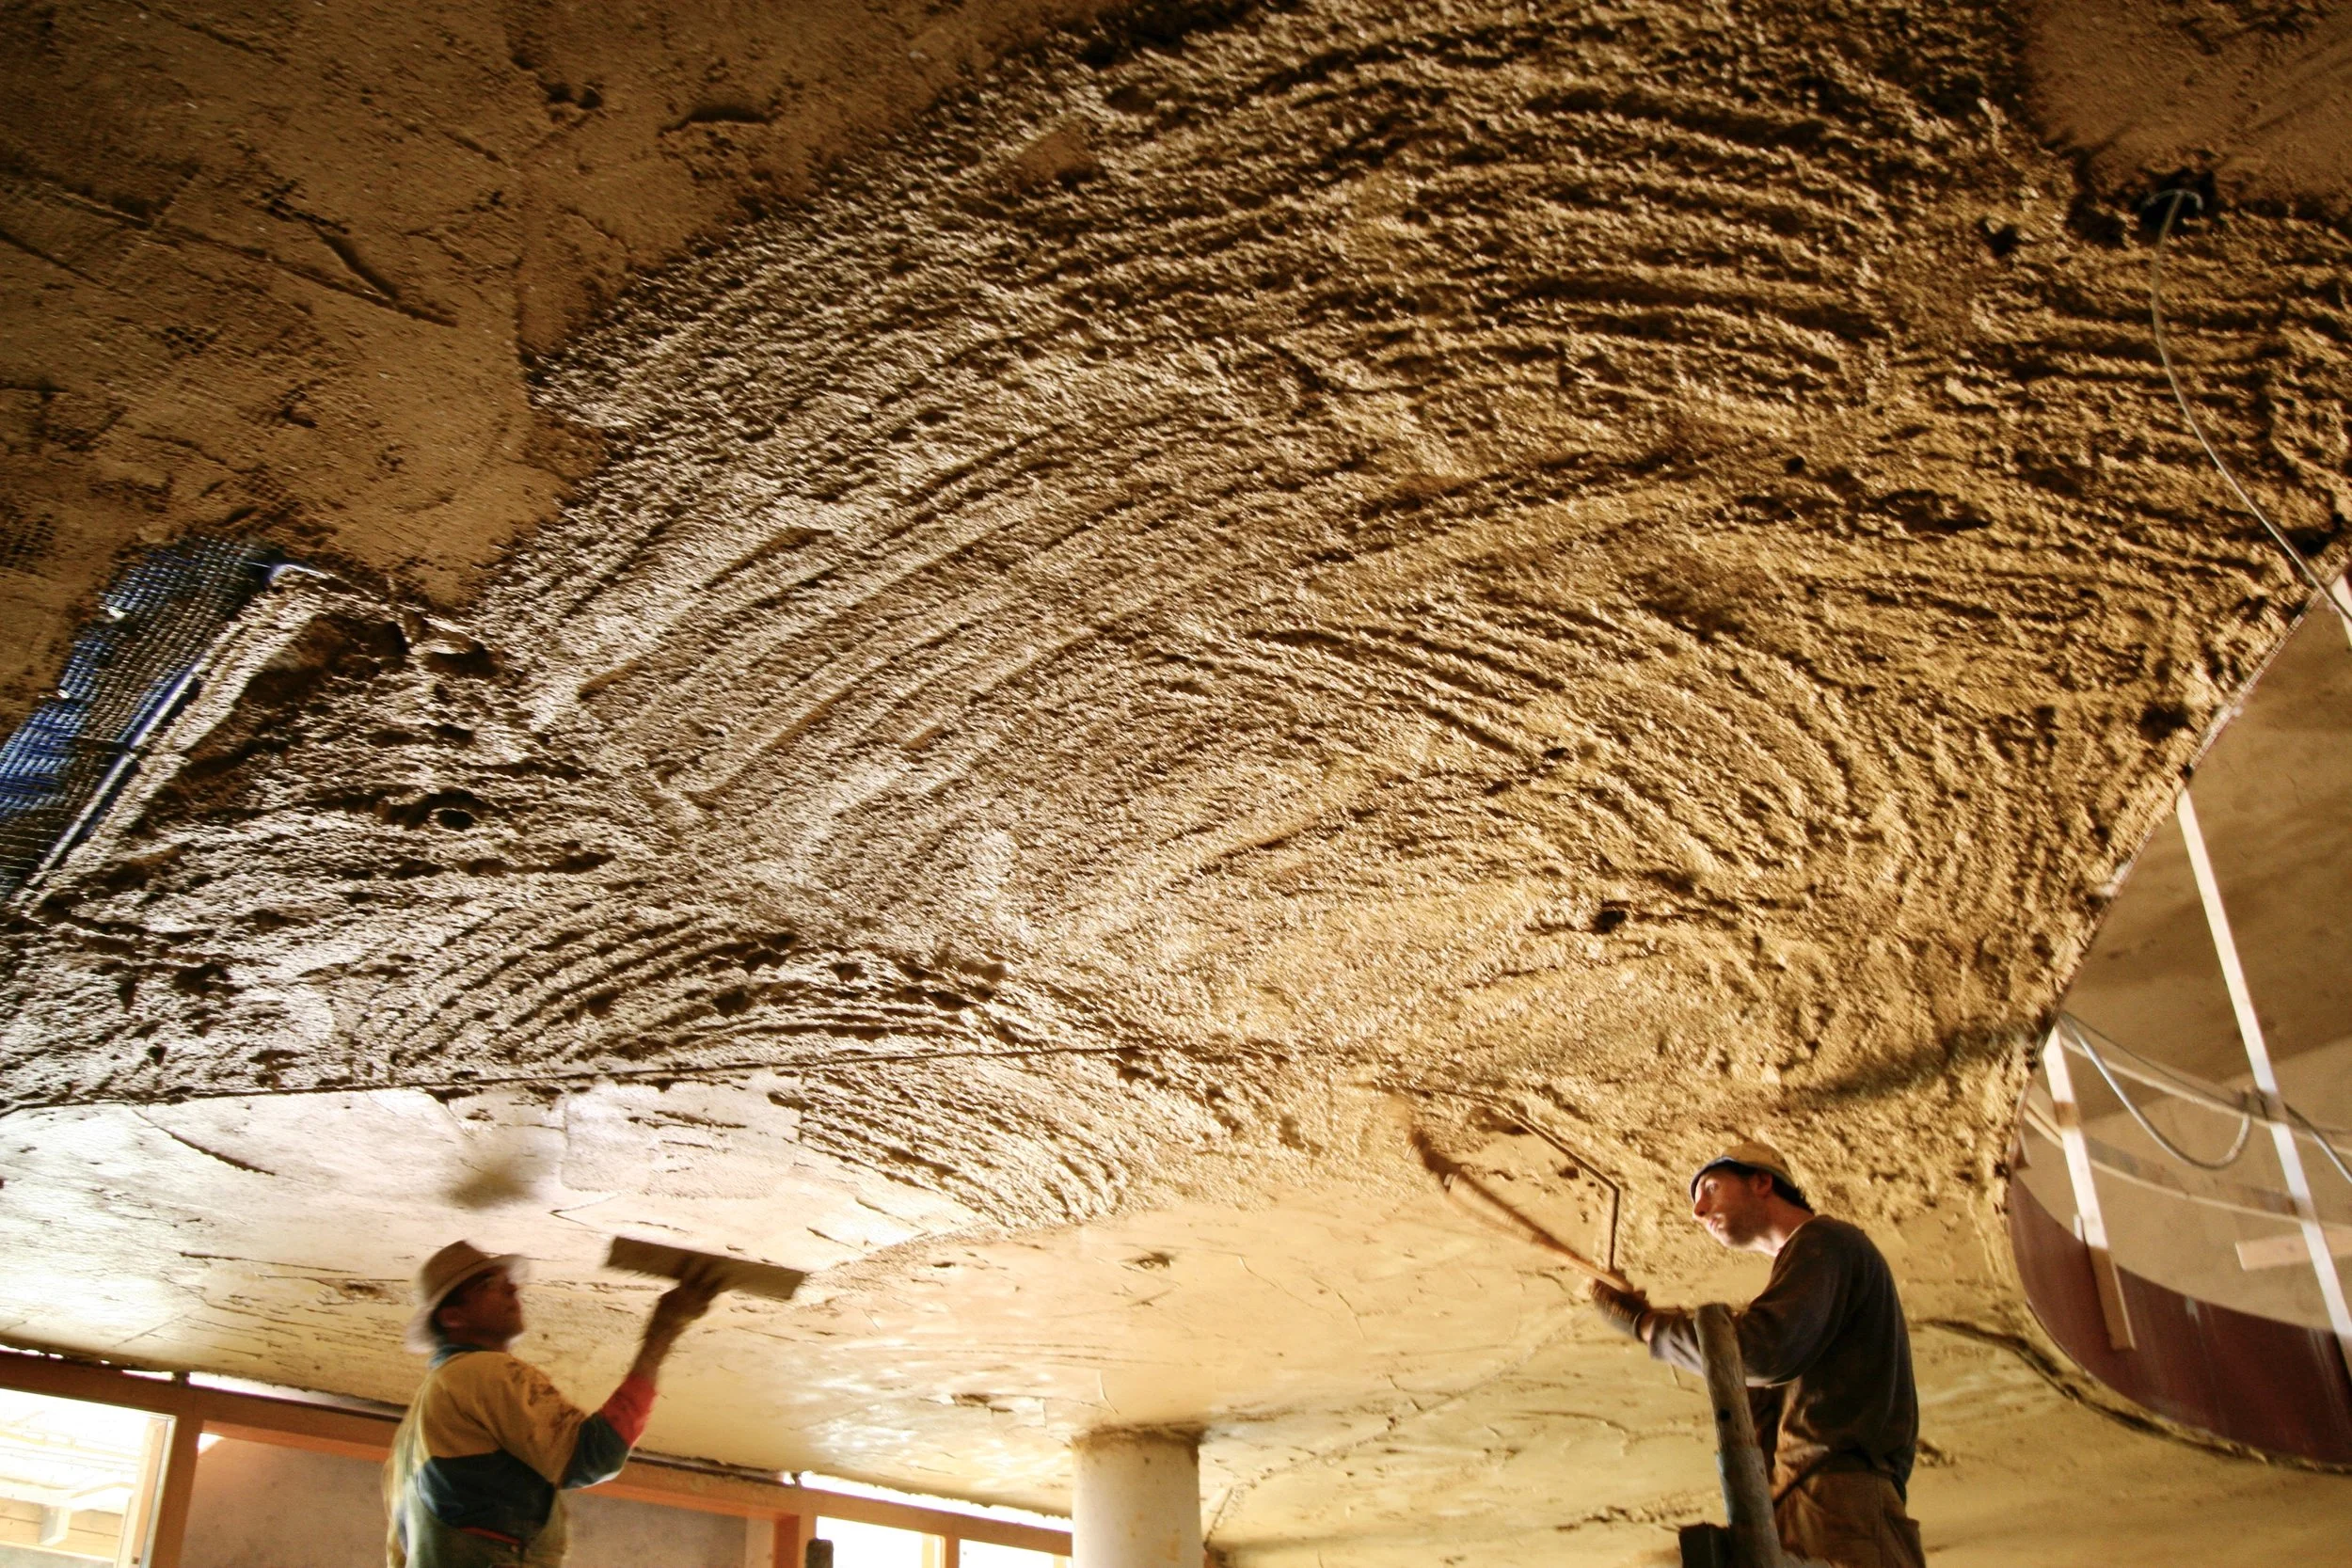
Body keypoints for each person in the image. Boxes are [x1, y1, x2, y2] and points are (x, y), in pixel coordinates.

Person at [1588, 1140, 1923, 1568]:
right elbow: (1757, 1370)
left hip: (1838, 1495)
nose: (1699, 1211)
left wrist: (1647, 1325)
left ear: (1762, 1182)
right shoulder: (1811, 1274)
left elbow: (1758, 1354)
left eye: (1710, 1188)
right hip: (1807, 1497)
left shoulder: (1827, 1241)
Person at [385, 1241, 722, 1567]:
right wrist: (663, 1329)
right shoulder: (482, 1373)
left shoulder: (412, 1431)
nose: (513, 1291)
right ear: (453, 1317)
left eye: (509, 1281)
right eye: (490, 1284)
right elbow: (593, 1455)